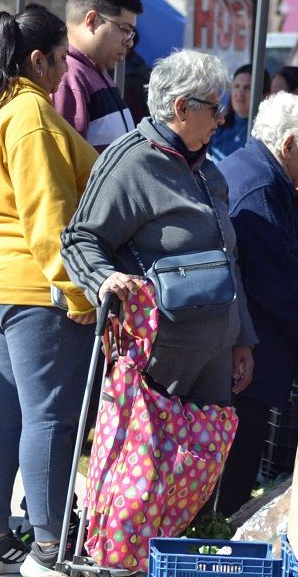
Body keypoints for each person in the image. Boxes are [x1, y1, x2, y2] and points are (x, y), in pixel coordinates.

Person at [0, 6, 97, 577]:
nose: (66, 72)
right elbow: (48, 217)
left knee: (6, 417)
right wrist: (78, 293)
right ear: (37, 59)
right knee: (48, 420)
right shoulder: (29, 111)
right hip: (34, 290)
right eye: (60, 60)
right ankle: (47, 546)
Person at [61, 46, 258, 418]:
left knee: (200, 472)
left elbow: (227, 257)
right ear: (182, 107)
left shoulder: (206, 170)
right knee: (148, 472)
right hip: (157, 358)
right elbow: (79, 238)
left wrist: (241, 337)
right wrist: (103, 280)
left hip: (214, 359)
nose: (220, 120)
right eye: (214, 108)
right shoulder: (130, 163)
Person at [215, 92, 298, 516]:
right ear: (287, 145)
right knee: (235, 464)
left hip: (246, 342)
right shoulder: (261, 185)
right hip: (249, 348)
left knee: (235, 459)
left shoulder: (253, 172)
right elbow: (277, 282)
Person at [53, 0, 144, 151]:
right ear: (92, 21)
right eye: (125, 30)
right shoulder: (67, 77)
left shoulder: (95, 71)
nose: (130, 42)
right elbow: (65, 164)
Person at [209, 64, 271, 161]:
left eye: (248, 88)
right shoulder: (216, 128)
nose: (240, 93)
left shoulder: (267, 134)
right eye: (236, 86)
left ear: (264, 95)